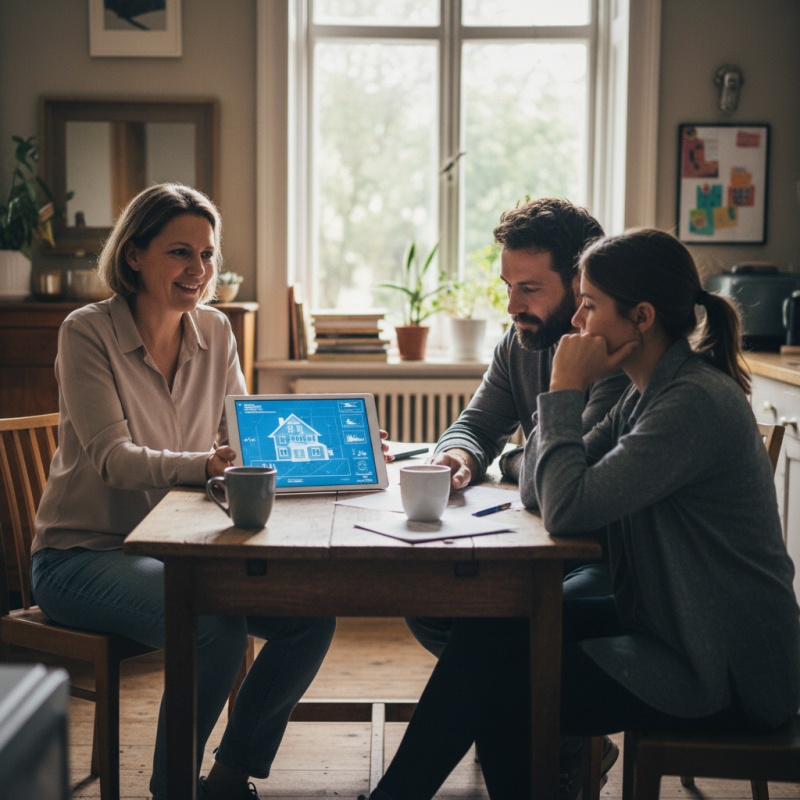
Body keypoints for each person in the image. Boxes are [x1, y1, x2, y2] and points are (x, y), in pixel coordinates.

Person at [363, 228, 800, 800]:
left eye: (589, 305)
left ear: (640, 317)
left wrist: (564, 386)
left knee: (500, 685)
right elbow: (541, 491)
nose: (576, 322)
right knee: (491, 634)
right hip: (668, 625)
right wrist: (560, 411)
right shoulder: (646, 396)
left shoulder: (691, 402)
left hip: (725, 667)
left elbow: (566, 508)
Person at [30, 183, 337, 800]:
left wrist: (346, 451)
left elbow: (248, 439)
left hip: (183, 552)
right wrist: (206, 465)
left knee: (311, 615)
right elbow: (115, 460)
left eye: (207, 254)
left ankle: (227, 778)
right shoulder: (85, 331)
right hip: (84, 556)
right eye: (179, 252)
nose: (198, 270)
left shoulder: (217, 331)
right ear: (134, 255)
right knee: (213, 628)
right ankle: (173, 791)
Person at [409, 197, 629, 659]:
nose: (511, 305)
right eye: (508, 285)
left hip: (612, 559)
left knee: (496, 631)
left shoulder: (614, 355)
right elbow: (476, 423)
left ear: (580, 281)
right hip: (542, 547)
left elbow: (553, 483)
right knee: (425, 603)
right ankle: (523, 713)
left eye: (529, 288)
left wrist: (509, 459)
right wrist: (460, 456)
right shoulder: (521, 341)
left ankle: (530, 717)